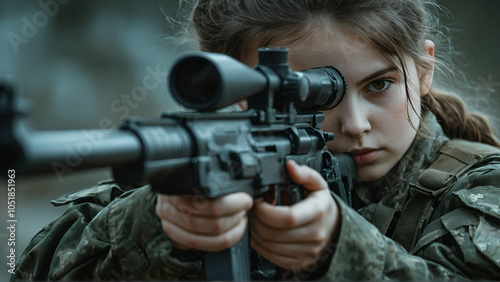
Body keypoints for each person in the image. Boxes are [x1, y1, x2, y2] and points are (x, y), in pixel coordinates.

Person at [12, 0, 500, 280]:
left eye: (379, 85)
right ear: (241, 95)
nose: (354, 123)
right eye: (317, 98)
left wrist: (340, 250)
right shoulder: (197, 175)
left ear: (424, 68)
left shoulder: (481, 193)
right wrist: (155, 228)